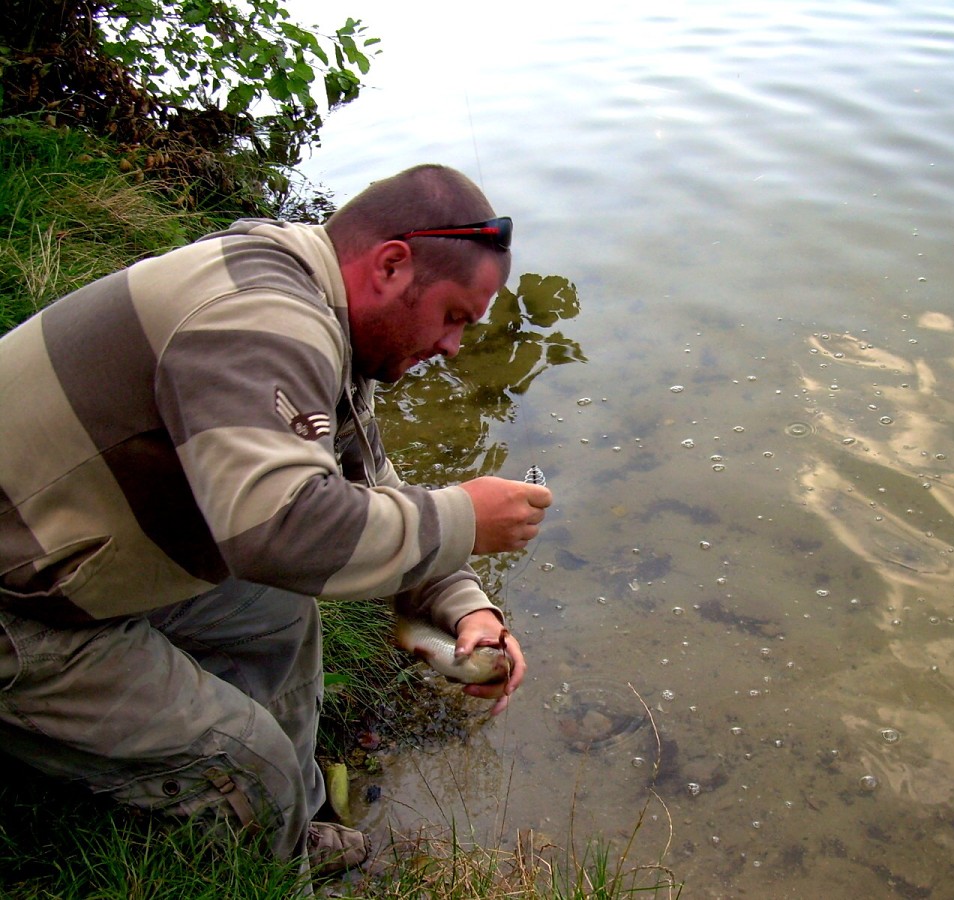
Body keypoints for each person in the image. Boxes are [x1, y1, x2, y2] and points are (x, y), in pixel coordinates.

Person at [0, 164, 551, 877]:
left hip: (56, 555)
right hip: (20, 606)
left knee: (276, 611)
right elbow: (277, 527)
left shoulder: (310, 305)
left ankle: (286, 824)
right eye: (452, 317)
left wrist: (464, 606)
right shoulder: (261, 317)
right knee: (252, 765)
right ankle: (266, 859)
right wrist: (465, 518)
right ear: (391, 264)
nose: (451, 347)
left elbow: (366, 484)